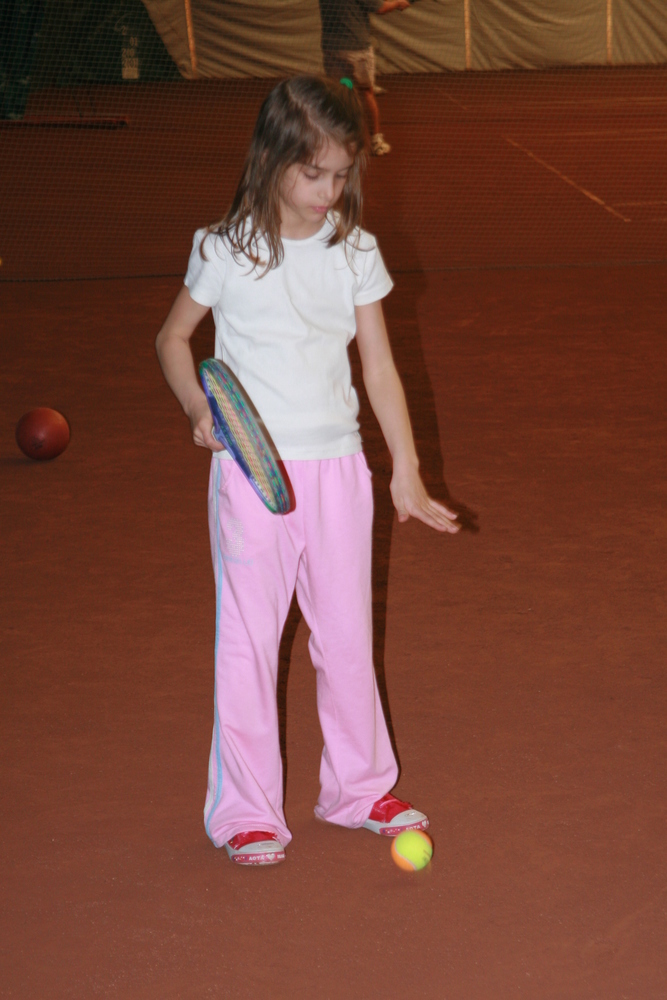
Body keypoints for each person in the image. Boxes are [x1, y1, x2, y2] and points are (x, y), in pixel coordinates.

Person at [155, 76, 459, 866]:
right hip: (250, 475)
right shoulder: (223, 248)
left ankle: (356, 789)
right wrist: (195, 406)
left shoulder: (353, 250)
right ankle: (245, 811)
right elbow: (172, 338)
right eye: (313, 173)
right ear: (272, 159)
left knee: (348, 638)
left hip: (338, 471)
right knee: (248, 645)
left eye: (340, 175)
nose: (328, 191)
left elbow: (379, 367)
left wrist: (404, 470)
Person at [319, 0, 410, 155]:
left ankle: (336, 141)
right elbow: (380, 8)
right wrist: (397, 3)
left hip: (331, 50)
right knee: (366, 92)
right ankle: (376, 142)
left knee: (338, 92)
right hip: (357, 50)